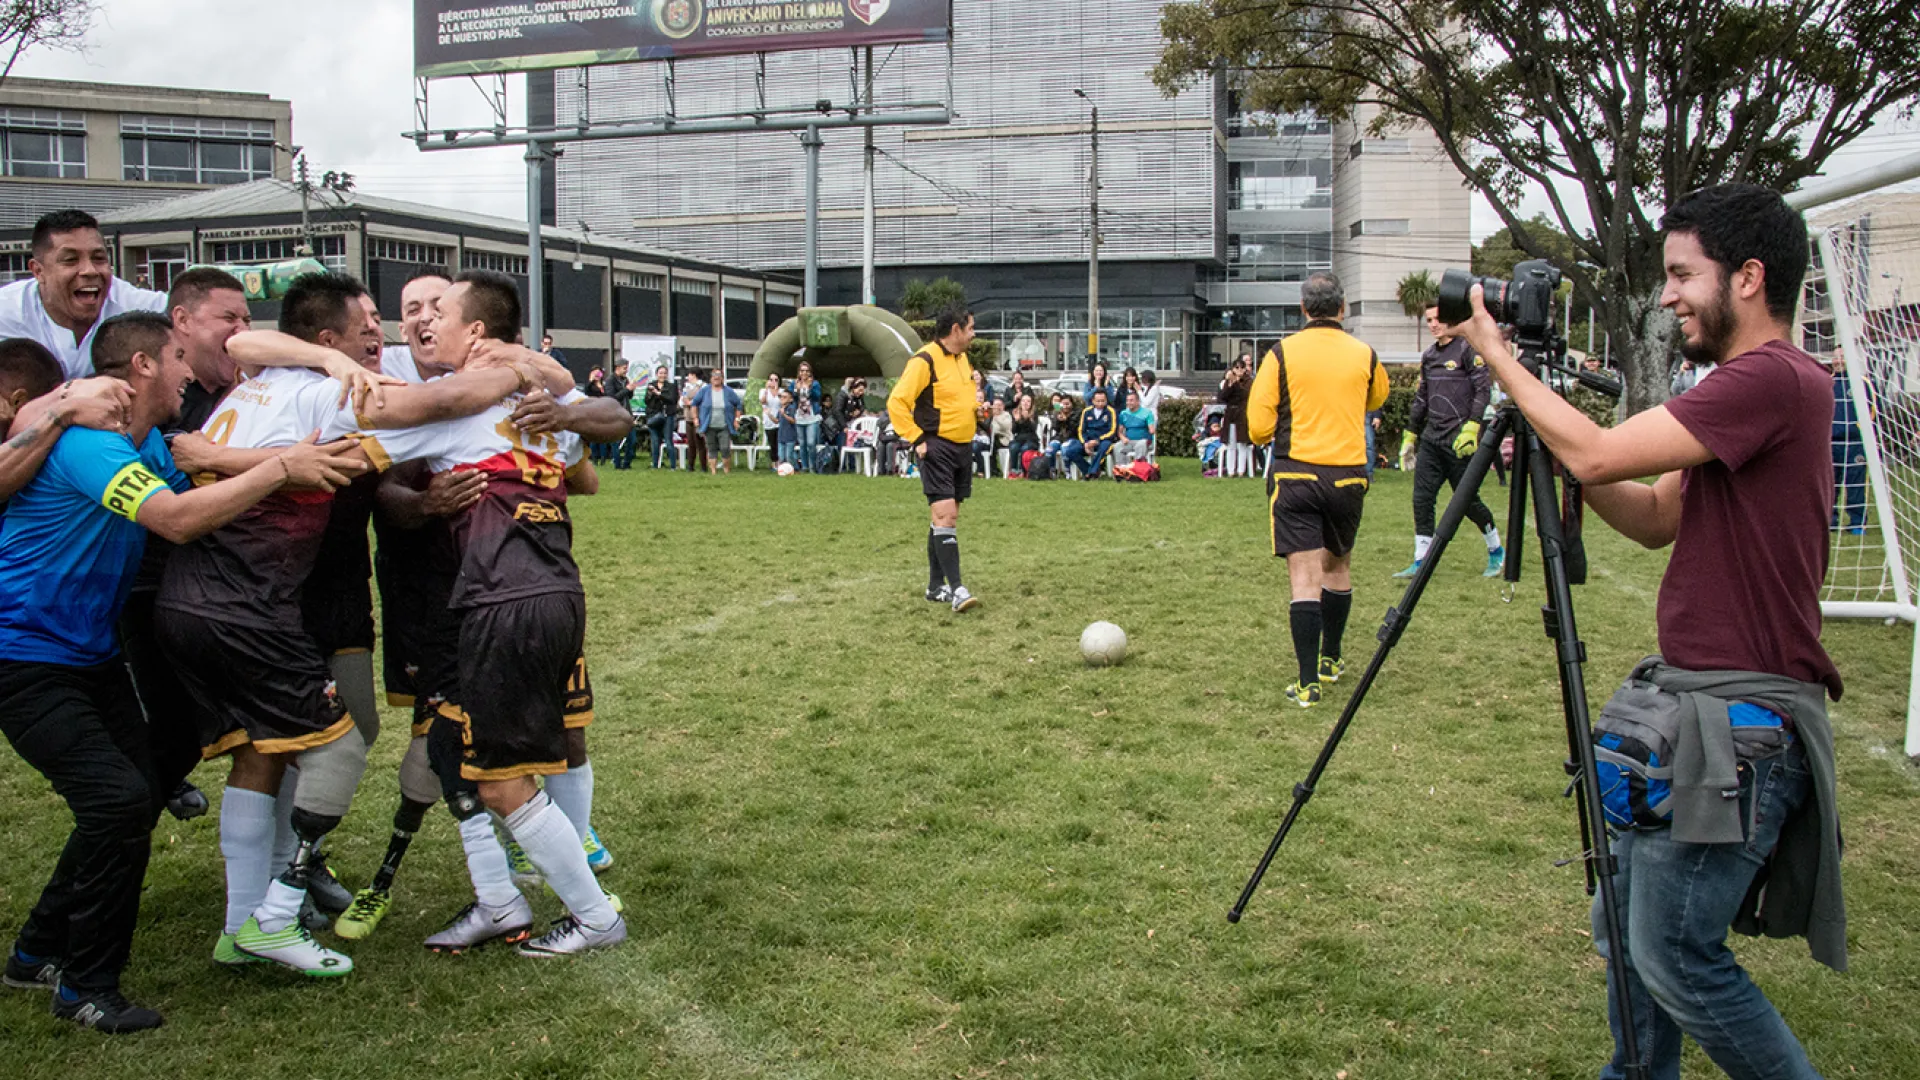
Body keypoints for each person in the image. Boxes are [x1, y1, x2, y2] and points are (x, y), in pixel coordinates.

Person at [1450, 183, 1843, 1080]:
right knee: (1631, 939)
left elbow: (1597, 452)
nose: (1666, 295)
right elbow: (1656, 514)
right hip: (1698, 707)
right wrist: (1561, 447)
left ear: (1747, 278)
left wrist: (1500, 360)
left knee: (1674, 955)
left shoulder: (1771, 377)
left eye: (1680, 274)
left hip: (1738, 724)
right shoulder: (1741, 390)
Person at [155, 274, 566, 977]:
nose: (380, 336)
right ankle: (272, 913)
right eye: (366, 326)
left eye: (390, 319)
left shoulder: (260, 382)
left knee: (269, 751)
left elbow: (256, 357)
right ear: (325, 341)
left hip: (199, 593)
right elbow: (425, 408)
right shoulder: (332, 389)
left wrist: (216, 455)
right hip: (246, 600)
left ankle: (244, 923)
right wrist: (512, 375)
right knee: (341, 748)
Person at [0, 312, 350, 1032]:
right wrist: (284, 466)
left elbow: (200, 466)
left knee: (139, 791)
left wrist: (289, 458)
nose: (191, 373)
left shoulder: (148, 443)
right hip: (22, 658)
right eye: (177, 360)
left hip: (89, 656)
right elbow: (179, 520)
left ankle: (38, 951)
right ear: (142, 369)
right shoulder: (90, 448)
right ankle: (85, 987)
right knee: (118, 802)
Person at [1247, 271, 1390, 708]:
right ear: (1343, 309)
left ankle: (1308, 683)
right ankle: (1331, 658)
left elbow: (1257, 428)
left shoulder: (1281, 353)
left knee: (1304, 578)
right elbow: (1377, 398)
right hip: (1347, 476)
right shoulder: (1364, 354)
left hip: (1297, 476)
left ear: (1303, 309)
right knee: (1338, 568)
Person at [1393, 304, 1506, 579]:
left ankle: (1496, 549)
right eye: (1429, 320)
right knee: (1422, 498)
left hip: (1459, 442)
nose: (1433, 324)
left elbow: (1482, 389)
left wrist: (1472, 427)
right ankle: (1421, 561)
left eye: (1438, 319)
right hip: (1432, 440)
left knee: (1466, 502)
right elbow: (1422, 397)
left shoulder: (1468, 350)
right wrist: (1411, 434)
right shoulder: (1430, 356)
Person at [888, 307, 981, 612]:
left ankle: (934, 587)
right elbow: (897, 402)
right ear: (955, 330)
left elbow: (956, 400)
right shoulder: (924, 360)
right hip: (937, 447)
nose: (973, 333)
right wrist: (917, 438)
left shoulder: (962, 359)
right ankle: (957, 589)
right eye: (970, 328)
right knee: (946, 517)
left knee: (944, 517)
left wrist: (979, 411)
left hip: (962, 447)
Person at [0, 210, 168, 380]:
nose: (90, 271)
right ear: (38, 271)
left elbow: (184, 308)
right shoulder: (7, 312)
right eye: (70, 260)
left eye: (99, 258)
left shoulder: (128, 302)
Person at [1828, 349, 1868, 535]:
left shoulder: (1863, 384)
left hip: (1855, 443)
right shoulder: (1827, 381)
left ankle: (1857, 522)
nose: (1838, 360)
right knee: (1830, 484)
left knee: (1855, 485)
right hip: (1830, 443)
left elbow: (1875, 412)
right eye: (1836, 356)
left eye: (1842, 356)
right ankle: (1830, 520)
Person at [693, 367, 743, 474]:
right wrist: (695, 418)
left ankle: (726, 470)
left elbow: (738, 404)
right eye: (714, 377)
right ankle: (713, 471)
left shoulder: (728, 391)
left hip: (725, 425)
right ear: (711, 379)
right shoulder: (704, 391)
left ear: (722, 379)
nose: (716, 379)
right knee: (711, 448)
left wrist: (736, 419)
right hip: (709, 425)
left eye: (719, 377)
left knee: (725, 448)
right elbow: (694, 404)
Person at [1065, 388, 1120, 479]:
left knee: (1104, 447)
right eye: (1098, 401)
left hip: (1103, 440)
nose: (1100, 403)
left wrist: (1098, 440)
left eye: (1103, 401)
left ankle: (1092, 472)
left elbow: (1112, 431)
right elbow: (1081, 430)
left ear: (1106, 400)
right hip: (1088, 440)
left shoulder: (1111, 411)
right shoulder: (1086, 411)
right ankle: (1088, 471)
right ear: (1093, 401)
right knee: (1070, 451)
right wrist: (1085, 443)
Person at [1217, 357, 1254, 477]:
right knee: (1231, 444)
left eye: (1241, 368)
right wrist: (1230, 383)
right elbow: (1223, 397)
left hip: (1242, 415)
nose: (1239, 370)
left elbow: (1244, 395)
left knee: (1242, 443)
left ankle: (1241, 470)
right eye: (1236, 367)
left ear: (1244, 369)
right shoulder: (1229, 381)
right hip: (1230, 415)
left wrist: (1236, 383)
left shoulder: (1248, 381)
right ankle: (1231, 470)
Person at [790, 360, 824, 473]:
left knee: (811, 443)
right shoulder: (794, 383)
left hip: (811, 417)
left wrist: (809, 388)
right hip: (799, 417)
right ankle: (804, 467)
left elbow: (817, 397)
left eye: (806, 371)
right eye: (802, 370)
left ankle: (812, 466)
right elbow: (791, 398)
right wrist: (797, 389)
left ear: (810, 372)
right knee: (802, 443)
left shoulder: (815, 383)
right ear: (799, 372)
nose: (804, 373)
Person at [644, 365, 679, 469]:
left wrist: (659, 394)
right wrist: (650, 394)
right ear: (656, 374)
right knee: (654, 441)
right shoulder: (651, 385)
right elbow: (646, 401)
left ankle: (673, 465)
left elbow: (672, 400)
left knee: (668, 440)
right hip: (654, 415)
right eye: (660, 373)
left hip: (667, 415)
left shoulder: (671, 386)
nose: (662, 375)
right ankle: (655, 464)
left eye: (664, 373)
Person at [1113, 389, 1156, 470]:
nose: (1129, 403)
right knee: (1117, 446)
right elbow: (1120, 431)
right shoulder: (1123, 414)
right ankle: (1122, 469)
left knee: (1141, 444)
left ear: (1138, 402)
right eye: (1127, 400)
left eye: (1131, 400)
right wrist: (1123, 438)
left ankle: (1138, 469)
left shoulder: (1147, 413)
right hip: (1129, 441)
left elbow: (1152, 430)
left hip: (1143, 441)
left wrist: (1151, 429)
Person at [1008, 394, 1040, 476]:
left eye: (1028, 401)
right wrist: (1016, 420)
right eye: (1023, 401)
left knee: (1024, 448)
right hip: (1019, 439)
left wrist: (1027, 419)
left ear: (1031, 404)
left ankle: (1023, 470)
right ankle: (1013, 470)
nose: (1026, 403)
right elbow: (1013, 431)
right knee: (1013, 447)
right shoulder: (1016, 412)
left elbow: (1033, 429)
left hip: (1031, 439)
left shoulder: (1034, 413)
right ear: (1020, 403)